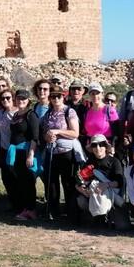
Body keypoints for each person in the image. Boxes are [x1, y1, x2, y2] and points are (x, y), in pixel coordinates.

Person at [40, 88, 82, 224]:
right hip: (52, 152)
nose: (56, 99)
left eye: (58, 96)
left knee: (68, 182)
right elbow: (44, 133)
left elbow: (75, 133)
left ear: (63, 97)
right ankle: (53, 211)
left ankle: (71, 213)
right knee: (51, 184)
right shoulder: (48, 114)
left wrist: (57, 131)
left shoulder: (69, 111)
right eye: (53, 96)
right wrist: (47, 136)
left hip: (67, 152)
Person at [4, 89, 41, 221]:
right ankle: (23, 208)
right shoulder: (15, 115)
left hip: (26, 151)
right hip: (16, 151)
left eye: (24, 99)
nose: (21, 101)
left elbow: (35, 137)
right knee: (20, 181)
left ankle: (31, 210)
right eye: (19, 98)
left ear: (28, 101)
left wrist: (31, 154)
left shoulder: (31, 115)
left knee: (28, 181)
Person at [75, 134, 123, 225]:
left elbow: (119, 182)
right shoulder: (88, 162)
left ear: (106, 147)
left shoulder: (114, 161)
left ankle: (104, 216)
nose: (98, 148)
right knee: (79, 200)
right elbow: (80, 181)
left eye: (101, 144)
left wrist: (106, 185)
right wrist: (82, 190)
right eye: (94, 145)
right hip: (91, 194)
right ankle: (93, 216)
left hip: (110, 194)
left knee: (123, 226)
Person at [81, 82, 119, 151]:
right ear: (89, 96)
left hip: (105, 148)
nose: (95, 96)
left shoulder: (110, 110)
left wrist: (112, 147)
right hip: (91, 147)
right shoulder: (87, 112)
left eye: (97, 93)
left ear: (102, 95)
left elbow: (116, 131)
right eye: (92, 94)